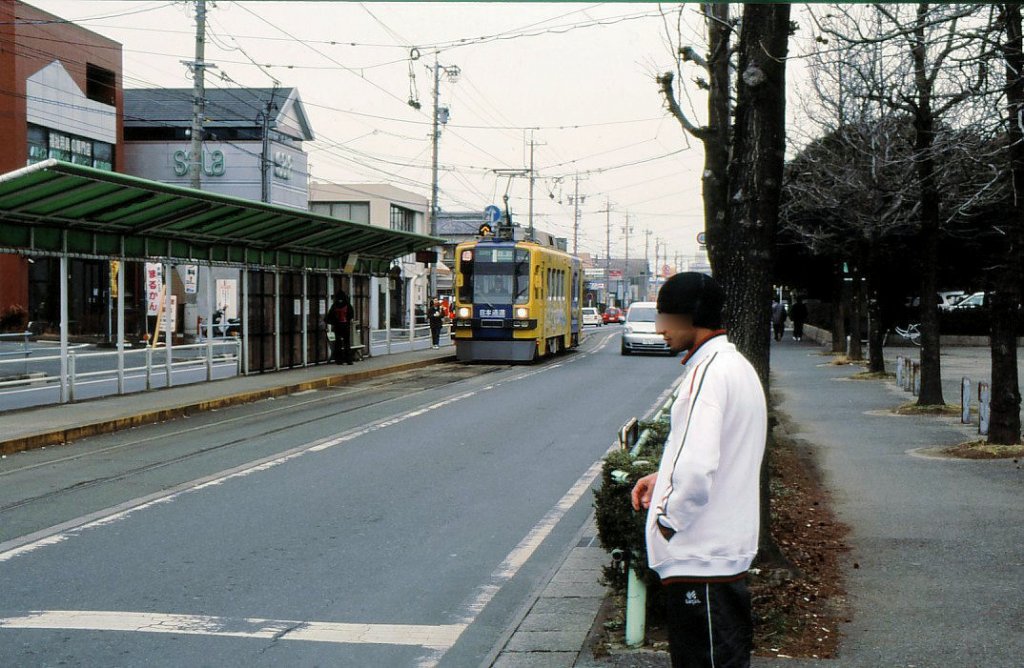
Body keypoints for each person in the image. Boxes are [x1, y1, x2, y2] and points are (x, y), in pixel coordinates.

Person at [631, 272, 768, 668]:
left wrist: (667, 521)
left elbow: (696, 469)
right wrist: (662, 482)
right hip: (720, 555)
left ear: (690, 318)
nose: (660, 331)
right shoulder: (734, 365)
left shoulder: (709, 374)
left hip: (701, 557)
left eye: (665, 319)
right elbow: (723, 452)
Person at [324, 292, 354, 365]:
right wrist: (347, 321)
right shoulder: (347, 305)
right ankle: (348, 359)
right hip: (345, 326)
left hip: (337, 326)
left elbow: (328, 317)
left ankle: (339, 360)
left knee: (338, 343)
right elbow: (351, 315)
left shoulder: (335, 306)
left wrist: (333, 322)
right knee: (347, 343)